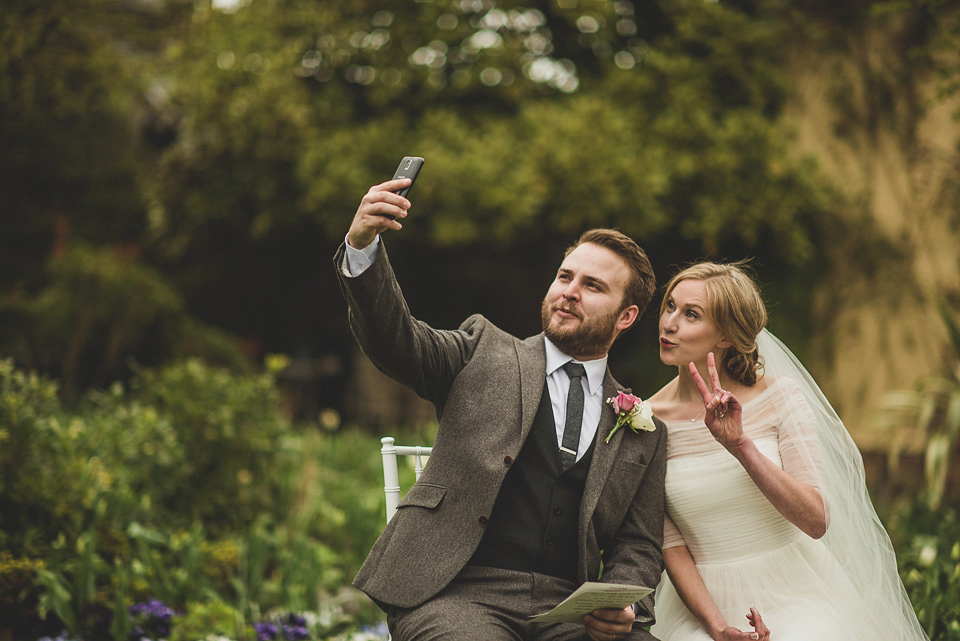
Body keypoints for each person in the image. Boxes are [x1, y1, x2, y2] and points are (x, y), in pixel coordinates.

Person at [335, 176, 668, 641]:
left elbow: (638, 544)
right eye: (564, 276)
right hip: (456, 596)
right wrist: (362, 244)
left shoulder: (643, 429)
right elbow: (397, 340)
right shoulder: (481, 351)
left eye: (592, 286)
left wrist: (623, 602)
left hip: (567, 612)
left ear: (626, 316)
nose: (569, 291)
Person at [646, 261, 929, 641]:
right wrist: (718, 628)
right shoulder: (647, 420)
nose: (670, 323)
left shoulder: (781, 398)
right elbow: (671, 543)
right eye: (670, 307)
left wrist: (741, 446)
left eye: (691, 314)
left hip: (798, 592)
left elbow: (816, 520)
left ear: (725, 336)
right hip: (701, 610)